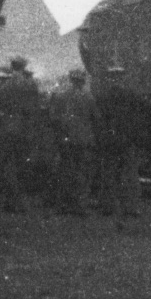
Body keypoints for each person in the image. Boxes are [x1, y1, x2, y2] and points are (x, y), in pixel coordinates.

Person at [93, 67, 144, 219]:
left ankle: (107, 207)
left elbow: (99, 121)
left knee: (109, 173)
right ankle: (131, 208)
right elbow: (138, 118)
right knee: (130, 174)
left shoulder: (103, 97)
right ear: (123, 78)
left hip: (110, 140)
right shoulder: (132, 96)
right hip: (127, 140)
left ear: (109, 79)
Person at [47, 67, 98, 216]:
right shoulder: (88, 96)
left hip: (65, 138)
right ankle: (80, 204)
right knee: (82, 171)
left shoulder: (60, 95)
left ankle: (63, 203)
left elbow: (53, 117)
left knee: (65, 170)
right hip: (83, 139)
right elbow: (96, 116)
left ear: (70, 79)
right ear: (82, 80)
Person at [0, 56, 43, 212]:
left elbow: (1, 104)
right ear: (24, 66)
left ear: (12, 66)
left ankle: (11, 200)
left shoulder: (6, 85)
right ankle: (22, 202)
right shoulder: (30, 84)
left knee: (9, 164)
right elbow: (35, 107)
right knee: (23, 164)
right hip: (25, 128)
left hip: (8, 126)